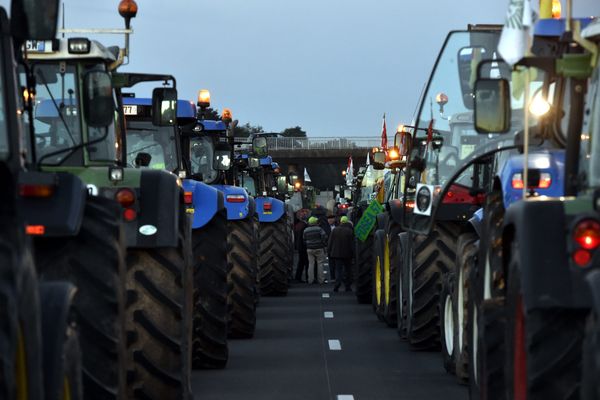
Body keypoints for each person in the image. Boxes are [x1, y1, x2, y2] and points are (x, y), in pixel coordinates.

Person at [327, 216, 354, 292]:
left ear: (341, 222)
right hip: (347, 254)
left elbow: (330, 242)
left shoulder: (335, 230)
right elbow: (352, 244)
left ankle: (337, 284)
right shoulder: (350, 231)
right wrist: (353, 253)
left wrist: (329, 251)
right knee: (348, 270)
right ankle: (347, 286)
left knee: (338, 270)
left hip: (336, 254)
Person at [303, 216, 327, 284]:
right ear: (315, 222)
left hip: (309, 249)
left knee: (311, 264)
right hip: (319, 248)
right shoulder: (319, 229)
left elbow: (304, 239)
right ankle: (321, 280)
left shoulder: (305, 230)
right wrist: (323, 243)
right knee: (320, 264)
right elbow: (324, 236)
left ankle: (310, 280)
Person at [294, 213, 309, 282]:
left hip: (299, 245)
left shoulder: (297, 225)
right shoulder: (304, 226)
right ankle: (307, 277)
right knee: (307, 262)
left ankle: (298, 277)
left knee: (301, 262)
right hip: (303, 246)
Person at [326, 215, 337, 281]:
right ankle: (333, 277)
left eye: (332, 219)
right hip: (330, 247)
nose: (330, 220)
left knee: (337, 264)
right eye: (329, 219)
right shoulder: (326, 227)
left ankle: (338, 277)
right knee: (331, 264)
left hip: (337, 247)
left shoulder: (337, 226)